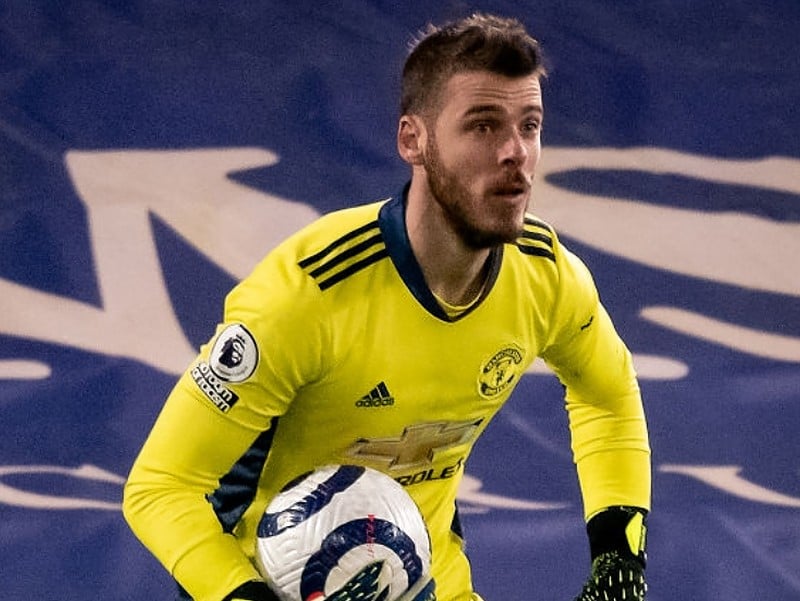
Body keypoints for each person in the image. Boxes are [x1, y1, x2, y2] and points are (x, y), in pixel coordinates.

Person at [123, 12, 651, 601]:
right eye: (482, 126)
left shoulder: (546, 278)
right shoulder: (307, 296)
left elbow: (608, 391)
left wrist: (617, 553)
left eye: (530, 125)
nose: (515, 153)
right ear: (412, 140)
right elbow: (160, 487)